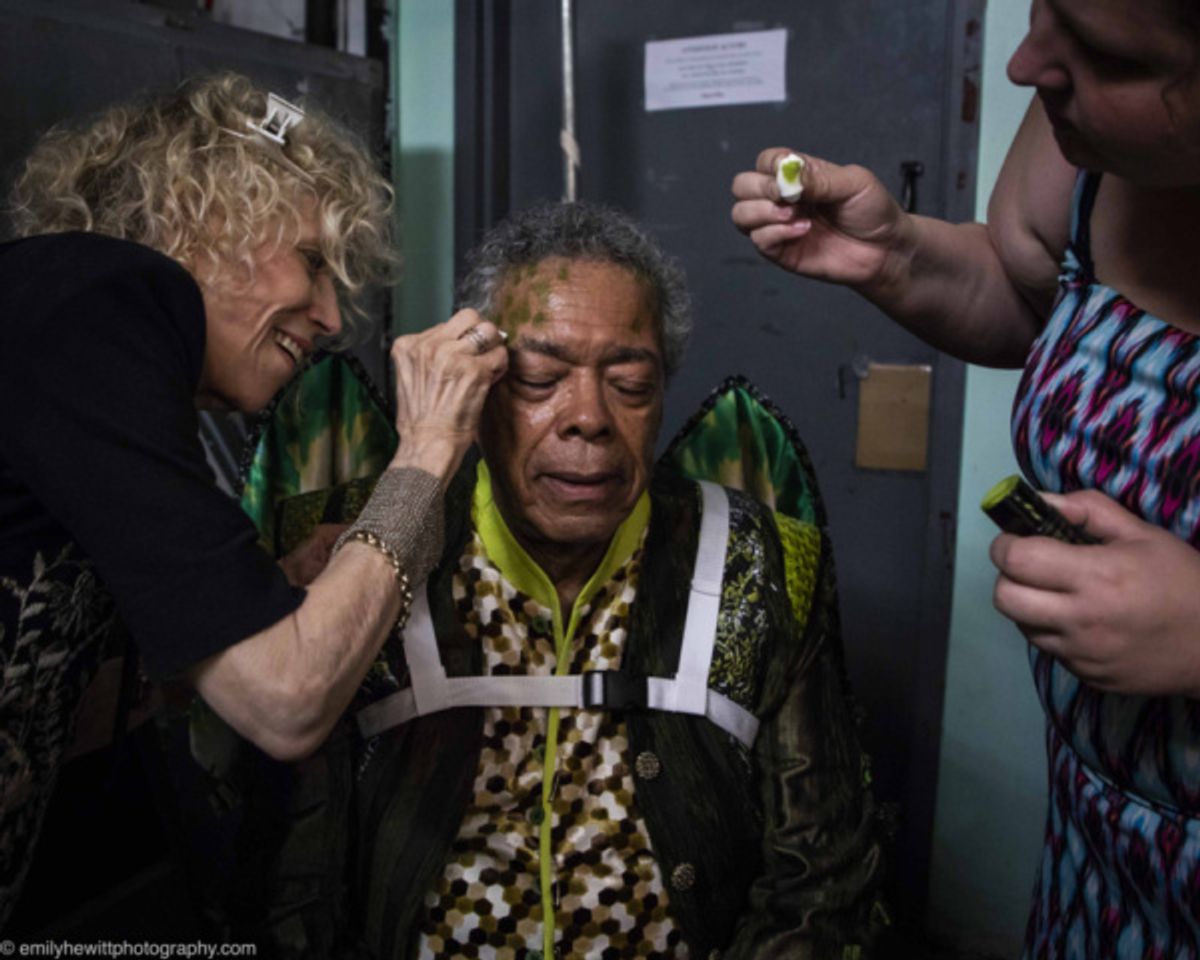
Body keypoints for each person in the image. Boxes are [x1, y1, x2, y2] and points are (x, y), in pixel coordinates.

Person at [261, 200, 883, 960]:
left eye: (629, 383)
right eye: (539, 379)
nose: (587, 417)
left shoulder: (764, 562)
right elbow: (283, 878)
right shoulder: (341, 554)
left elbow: (819, 880)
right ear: (475, 385)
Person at [730, 0, 1200, 956]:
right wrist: (897, 256)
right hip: (1094, 846)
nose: (1028, 65)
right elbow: (1031, 295)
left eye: (1102, 54)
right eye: (1045, 12)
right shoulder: (1081, 144)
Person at [0, 72, 507, 928]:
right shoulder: (101, 292)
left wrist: (273, 596)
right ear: (199, 219)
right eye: (312, 262)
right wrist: (427, 448)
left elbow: (57, 709)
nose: (331, 316)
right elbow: (286, 699)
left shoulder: (81, 360)